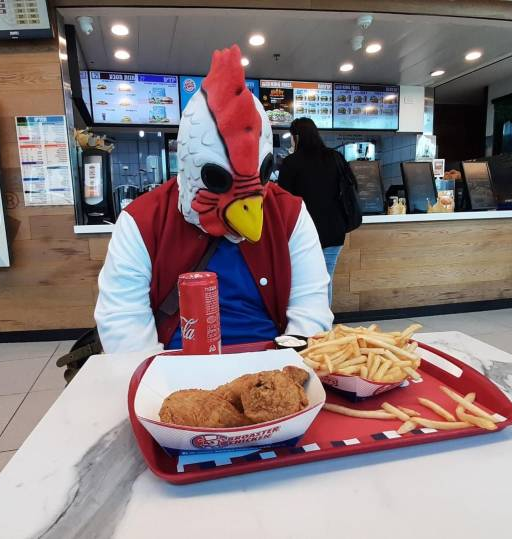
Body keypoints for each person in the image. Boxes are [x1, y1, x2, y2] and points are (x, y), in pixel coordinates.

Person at [94, 45, 332, 355]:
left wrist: (287, 372)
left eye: (260, 175)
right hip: (174, 367)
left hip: (271, 362)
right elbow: (123, 323)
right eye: (219, 180)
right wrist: (160, 379)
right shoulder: (142, 221)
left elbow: (311, 312)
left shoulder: (290, 214)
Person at [278, 117, 349, 302]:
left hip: (303, 232)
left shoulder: (291, 162)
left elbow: (282, 199)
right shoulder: (335, 157)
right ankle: (325, 320)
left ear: (296, 137)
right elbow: (351, 189)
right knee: (326, 279)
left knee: (300, 282)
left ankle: (305, 319)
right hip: (334, 230)